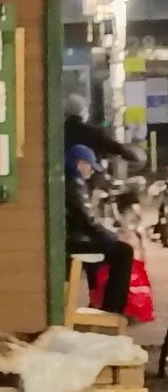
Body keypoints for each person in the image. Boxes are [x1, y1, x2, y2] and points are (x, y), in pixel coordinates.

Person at [65, 144, 134, 314]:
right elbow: (88, 221)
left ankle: (97, 302)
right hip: (74, 239)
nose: (91, 171)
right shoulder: (75, 183)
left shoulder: (69, 180)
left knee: (104, 248)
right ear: (80, 164)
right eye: (90, 166)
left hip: (72, 236)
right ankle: (113, 307)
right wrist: (112, 235)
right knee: (124, 252)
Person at [64, 95, 139, 163]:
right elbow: (106, 140)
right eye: (86, 109)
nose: (87, 112)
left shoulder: (63, 129)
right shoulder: (92, 131)